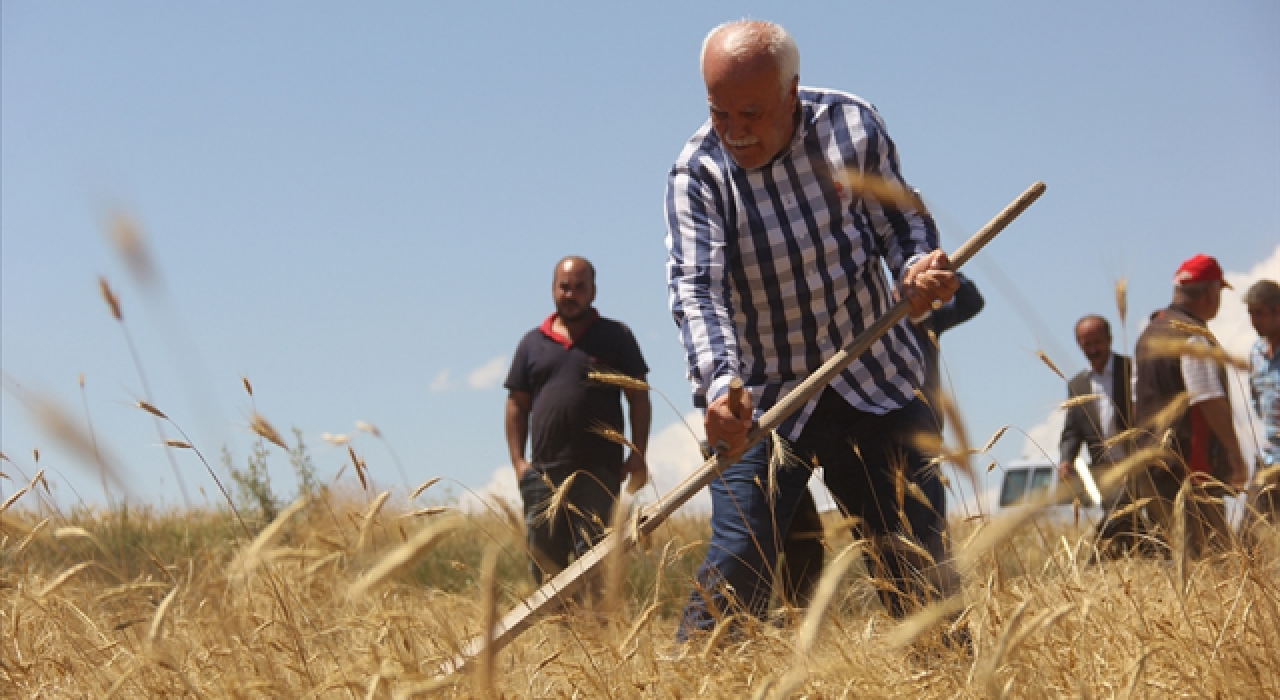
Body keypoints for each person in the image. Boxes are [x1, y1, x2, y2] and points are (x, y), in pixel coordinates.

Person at [665, 19, 960, 639]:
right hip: (765, 404)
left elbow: (902, 225)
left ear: (791, 94)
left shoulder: (852, 126)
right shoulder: (698, 173)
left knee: (917, 561)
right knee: (738, 566)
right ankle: (693, 681)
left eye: (751, 113)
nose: (734, 132)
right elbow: (698, 290)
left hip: (874, 380)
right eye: (720, 113)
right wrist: (721, 389)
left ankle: (949, 680)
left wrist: (917, 268)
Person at [778, 273, 983, 610]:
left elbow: (973, 300)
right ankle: (904, 603)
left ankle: (938, 608)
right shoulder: (871, 329)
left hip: (924, 438)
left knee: (928, 532)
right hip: (877, 438)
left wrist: (935, 272)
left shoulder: (928, 320)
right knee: (883, 528)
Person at [504, 256, 651, 588]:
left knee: (596, 566)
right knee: (545, 568)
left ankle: (594, 638)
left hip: (598, 472)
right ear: (553, 289)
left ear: (593, 291)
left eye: (579, 287)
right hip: (543, 474)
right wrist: (518, 463)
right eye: (564, 287)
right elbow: (516, 404)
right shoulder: (531, 343)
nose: (570, 294)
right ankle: (556, 638)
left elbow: (638, 397)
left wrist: (638, 453)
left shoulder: (615, 336)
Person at [1132, 254, 1248, 558]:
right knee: (1213, 561)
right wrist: (1235, 456)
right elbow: (1206, 397)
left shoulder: (1150, 332)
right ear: (1211, 293)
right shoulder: (1191, 335)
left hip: (1153, 463)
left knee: (1176, 561)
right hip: (1191, 466)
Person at [1056, 315, 1144, 556]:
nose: (1093, 349)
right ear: (1079, 345)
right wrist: (1066, 459)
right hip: (1103, 470)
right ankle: (1134, 561)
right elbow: (1072, 429)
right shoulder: (1078, 385)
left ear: (1110, 339)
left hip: (1136, 464)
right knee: (1122, 519)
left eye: (1098, 342)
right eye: (1087, 344)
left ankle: (1099, 561)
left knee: (1126, 516)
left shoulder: (1131, 370)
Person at [1243, 279, 1280, 536]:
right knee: (1250, 536)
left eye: (1259, 313)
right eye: (1250, 314)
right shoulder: (1255, 352)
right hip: (1268, 457)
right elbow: (1256, 401)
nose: (1254, 320)